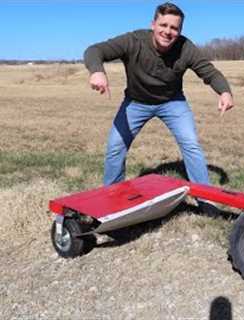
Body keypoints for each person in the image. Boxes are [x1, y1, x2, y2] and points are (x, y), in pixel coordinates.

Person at [83, 2, 234, 195]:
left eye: (174, 28)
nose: (168, 32)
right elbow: (94, 50)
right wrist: (97, 71)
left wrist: (225, 92)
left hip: (173, 102)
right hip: (136, 103)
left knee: (191, 145)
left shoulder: (185, 48)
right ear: (153, 24)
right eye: (163, 25)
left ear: (179, 31)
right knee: (115, 147)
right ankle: (112, 195)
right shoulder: (133, 40)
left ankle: (205, 197)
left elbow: (210, 72)